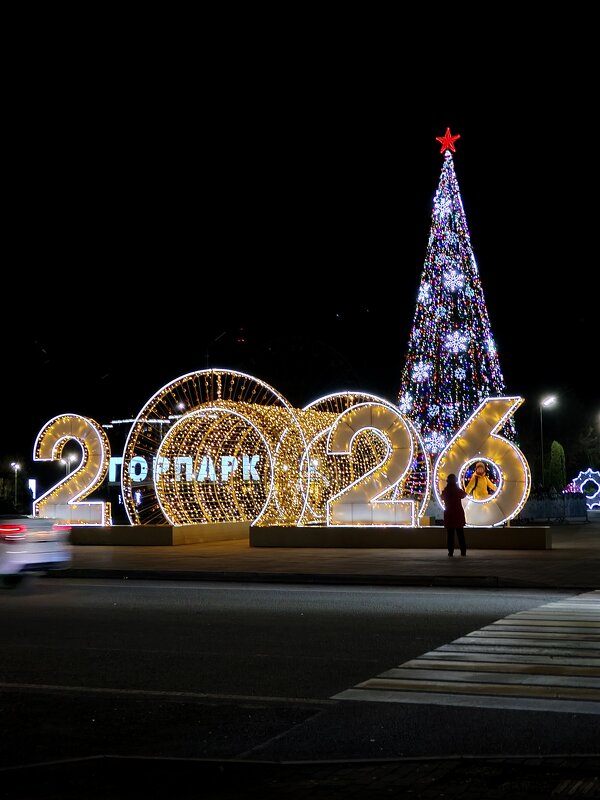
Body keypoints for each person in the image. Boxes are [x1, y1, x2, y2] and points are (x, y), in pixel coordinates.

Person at [441, 473, 467, 557]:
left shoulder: (446, 490)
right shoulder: (457, 490)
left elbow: (442, 497)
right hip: (458, 513)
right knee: (460, 534)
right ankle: (463, 551)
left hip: (449, 514)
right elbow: (464, 495)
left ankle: (450, 551)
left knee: (450, 535)